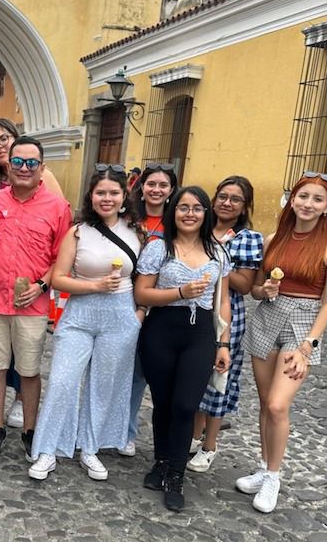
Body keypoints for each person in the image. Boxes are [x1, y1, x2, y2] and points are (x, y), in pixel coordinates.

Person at [240, 172, 327, 514]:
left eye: (317, 199)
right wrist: (264, 290)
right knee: (263, 403)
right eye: (303, 196)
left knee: (277, 405)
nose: (308, 204)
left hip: (303, 324)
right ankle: (262, 465)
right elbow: (256, 289)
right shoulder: (273, 238)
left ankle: (274, 475)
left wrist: (308, 346)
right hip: (267, 318)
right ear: (293, 199)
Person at [28, 166, 144, 481]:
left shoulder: (137, 233)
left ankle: (90, 448)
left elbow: (145, 279)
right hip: (80, 314)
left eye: (113, 193)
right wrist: (94, 286)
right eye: (100, 192)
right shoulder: (78, 232)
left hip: (119, 316)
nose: (107, 198)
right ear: (91, 197)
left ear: (124, 198)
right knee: (63, 381)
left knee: (104, 386)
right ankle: (48, 449)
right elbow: (59, 278)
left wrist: (139, 313)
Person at [134, 186, 231, 512]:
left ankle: (176, 472)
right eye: (183, 207)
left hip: (200, 333)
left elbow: (224, 300)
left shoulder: (218, 252)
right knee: (163, 402)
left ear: (206, 213)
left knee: (187, 404)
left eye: (197, 208)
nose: (190, 213)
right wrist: (180, 291)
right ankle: (161, 461)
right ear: (173, 211)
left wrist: (224, 343)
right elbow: (142, 294)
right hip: (161, 329)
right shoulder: (159, 248)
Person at [0, 136, 72, 462]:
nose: (24, 168)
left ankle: (31, 431)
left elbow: (62, 257)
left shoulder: (58, 208)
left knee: (29, 371)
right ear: (8, 165)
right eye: (17, 161)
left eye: (32, 163)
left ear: (42, 168)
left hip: (31, 304)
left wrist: (43, 285)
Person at [188, 176, 264, 473]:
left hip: (227, 313)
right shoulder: (199, 228)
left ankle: (210, 445)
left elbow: (245, 285)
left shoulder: (248, 238)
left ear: (245, 207)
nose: (226, 202)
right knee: (194, 375)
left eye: (235, 199)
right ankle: (193, 437)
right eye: (222, 196)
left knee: (219, 379)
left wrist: (216, 259)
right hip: (195, 309)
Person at [121, 163, 178, 457]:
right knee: (116, 367)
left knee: (140, 372)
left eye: (163, 185)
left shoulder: (177, 223)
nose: (156, 190)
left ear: (171, 191)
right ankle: (107, 426)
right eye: (151, 184)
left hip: (158, 303)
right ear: (141, 187)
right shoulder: (127, 218)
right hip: (120, 297)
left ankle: (127, 432)